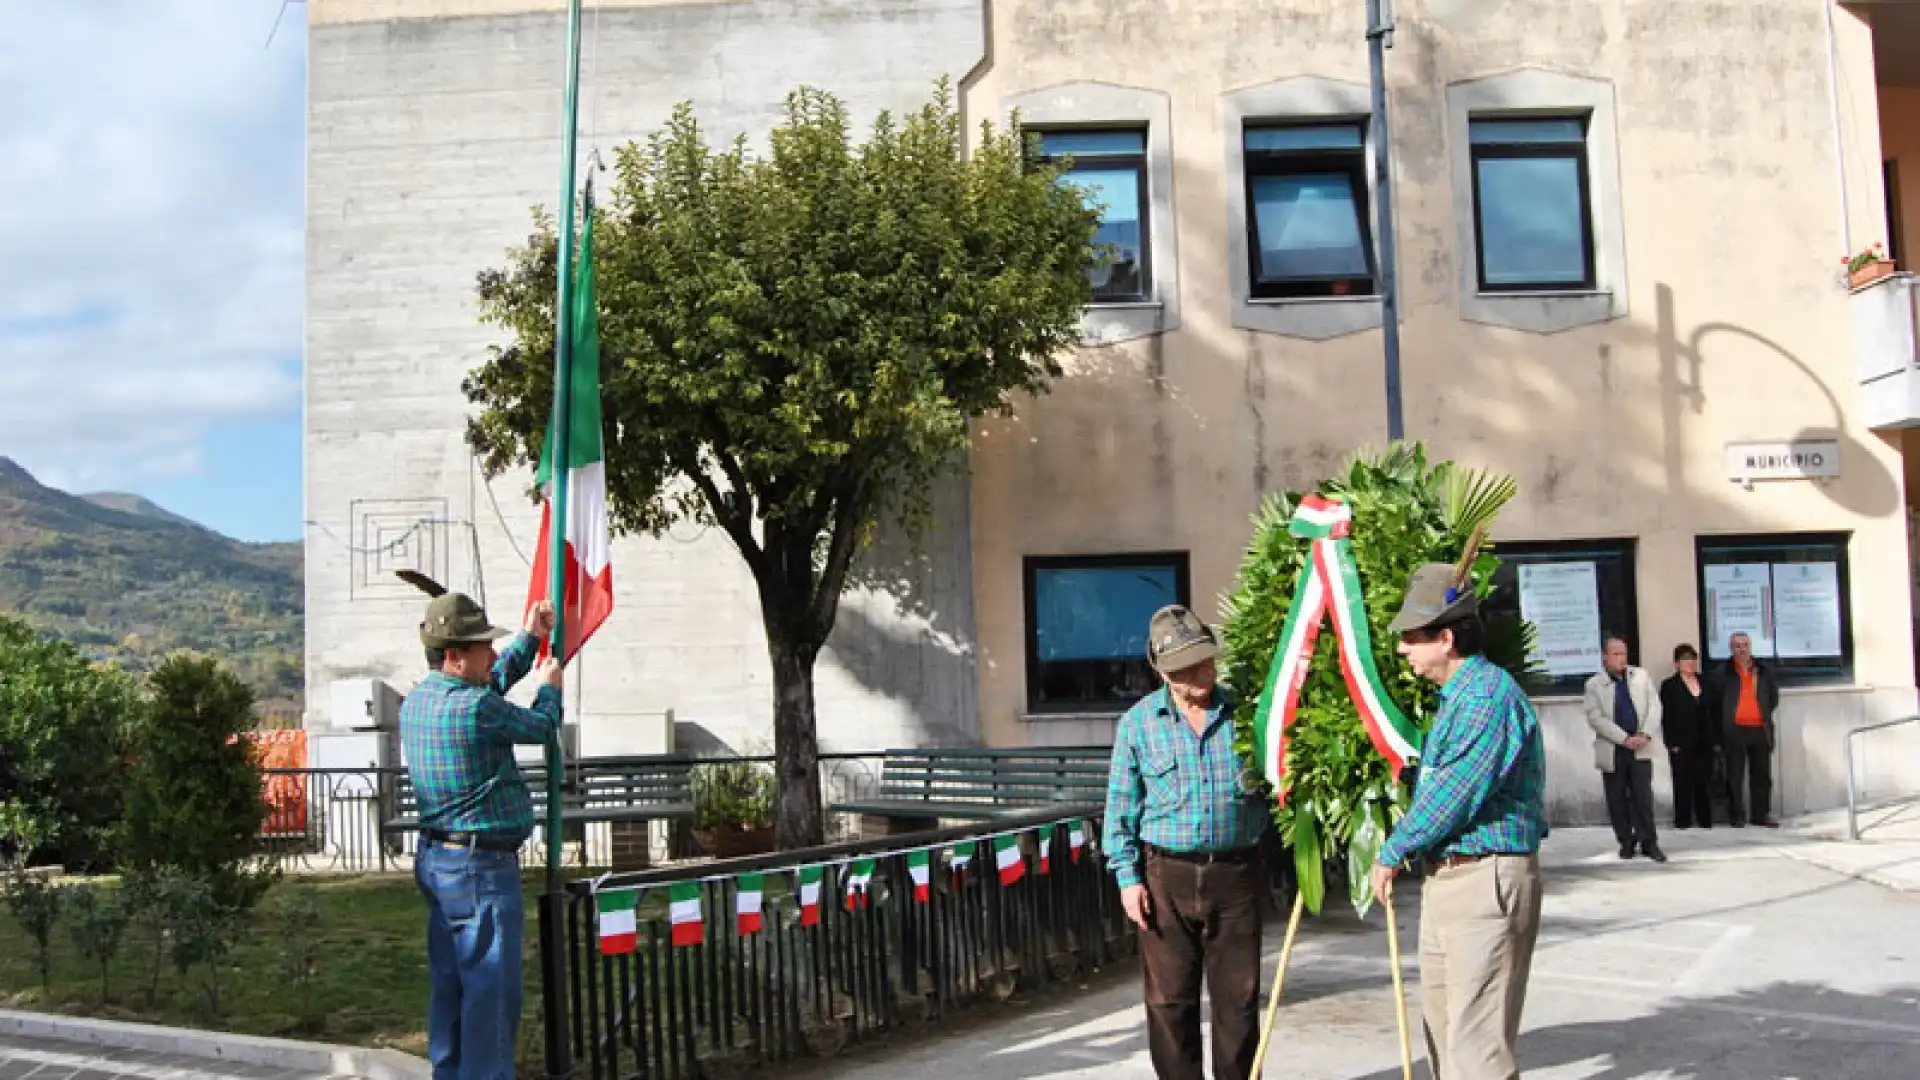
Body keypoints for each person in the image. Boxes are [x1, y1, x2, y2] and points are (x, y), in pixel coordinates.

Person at [1370, 563, 1547, 1080]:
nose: (1402, 649)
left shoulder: (1485, 697)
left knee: (1477, 1051)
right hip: (1452, 878)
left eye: (1411, 637)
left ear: (1445, 638)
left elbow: (1453, 795)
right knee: (1446, 1039)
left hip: (1485, 879)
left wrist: (1391, 849)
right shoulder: (1457, 697)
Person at [400, 592, 565, 1080]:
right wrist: (550, 685)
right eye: (482, 648)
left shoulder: (420, 701)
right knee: (491, 995)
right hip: (481, 869)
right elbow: (541, 726)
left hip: (438, 860)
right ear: (454, 655)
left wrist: (530, 638)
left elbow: (490, 680)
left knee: (451, 986)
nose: (492, 656)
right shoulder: (475, 710)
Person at [1103, 604, 1271, 1080]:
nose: (1199, 672)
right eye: (1184, 668)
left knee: (1238, 1004)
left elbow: (1280, 787)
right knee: (1169, 1002)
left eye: (1204, 660)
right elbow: (1120, 807)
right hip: (1164, 879)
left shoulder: (1247, 714)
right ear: (1162, 673)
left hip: (1236, 875)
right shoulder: (1138, 724)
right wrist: (1127, 877)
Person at [1582, 636, 1666, 862]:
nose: (1621, 659)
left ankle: (1649, 842)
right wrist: (1623, 738)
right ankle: (1626, 841)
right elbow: (1595, 718)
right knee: (1617, 798)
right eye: (1616, 654)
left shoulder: (1641, 676)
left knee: (1642, 797)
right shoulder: (1594, 684)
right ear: (1605, 657)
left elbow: (1654, 706)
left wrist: (1644, 734)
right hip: (1614, 748)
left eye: (1624, 654)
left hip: (1640, 745)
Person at [1714, 631, 1780, 827]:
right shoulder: (1722, 672)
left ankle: (1761, 815)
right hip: (1734, 730)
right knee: (1734, 775)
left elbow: (1773, 698)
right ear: (1731, 649)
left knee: (1762, 775)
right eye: (1737, 646)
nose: (1741, 649)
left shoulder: (1763, 670)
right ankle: (1737, 815)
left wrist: (1762, 712)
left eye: (1744, 645)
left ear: (1750, 647)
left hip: (1760, 728)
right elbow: (1715, 702)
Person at [1659, 644, 1718, 829]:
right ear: (1676, 663)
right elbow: (1666, 715)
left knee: (1704, 781)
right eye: (1685, 659)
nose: (1690, 663)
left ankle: (1705, 819)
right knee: (1682, 782)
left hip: (1704, 741)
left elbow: (1715, 712)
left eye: (1693, 658)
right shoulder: (1669, 686)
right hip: (1681, 742)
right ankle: (1682, 820)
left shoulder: (1706, 682)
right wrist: (1671, 742)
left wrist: (1715, 740)